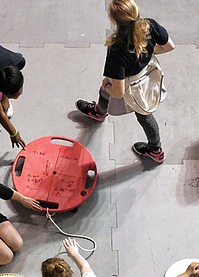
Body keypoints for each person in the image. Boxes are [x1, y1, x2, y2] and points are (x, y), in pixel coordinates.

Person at [75, 0, 175, 163]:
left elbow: (119, 92)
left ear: (115, 21)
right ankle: (155, 149)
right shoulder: (150, 25)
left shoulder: (117, 48)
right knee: (145, 114)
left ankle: (100, 113)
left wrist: (107, 86)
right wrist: (147, 52)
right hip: (149, 76)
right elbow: (170, 46)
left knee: (109, 92)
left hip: (133, 85)